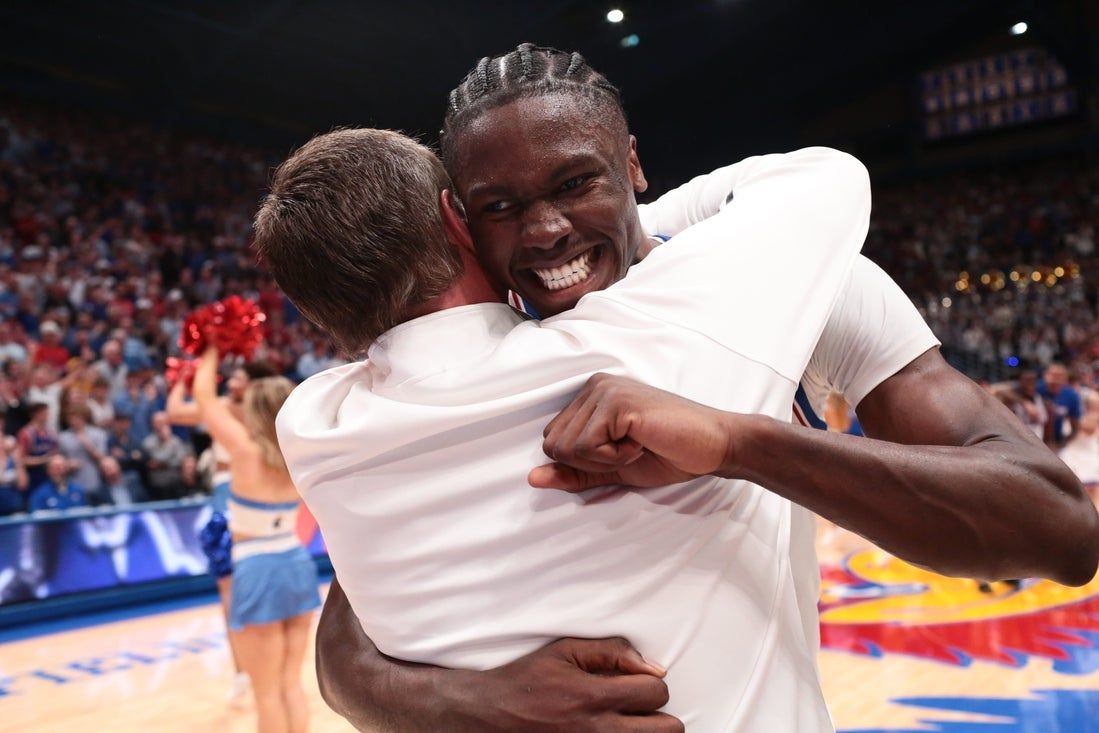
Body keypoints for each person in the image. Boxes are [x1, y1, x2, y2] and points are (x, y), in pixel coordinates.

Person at [266, 48, 1097, 732]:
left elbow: (1058, 531)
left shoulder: (797, 283)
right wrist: (469, 705)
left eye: (575, 183)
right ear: (460, 219)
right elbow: (349, 627)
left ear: (630, 164)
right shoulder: (472, 359)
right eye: (501, 205)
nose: (545, 231)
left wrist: (746, 443)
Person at [192, 345, 320, 733]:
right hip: (297, 564)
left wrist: (211, 346)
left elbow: (203, 398)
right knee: (290, 685)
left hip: (257, 567)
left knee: (266, 694)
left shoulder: (245, 452)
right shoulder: (299, 454)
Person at [167, 359, 277, 704]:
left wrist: (184, 375)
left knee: (232, 594)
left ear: (253, 384)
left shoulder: (228, 411)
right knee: (253, 590)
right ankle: (259, 671)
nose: (230, 383)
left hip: (231, 498)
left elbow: (174, 411)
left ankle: (246, 671)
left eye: (238, 378)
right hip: (260, 500)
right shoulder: (269, 412)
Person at [57, 404, 108, 501]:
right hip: (73, 482)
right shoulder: (62, 437)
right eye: (70, 418)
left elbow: (102, 459)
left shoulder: (98, 434)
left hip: (95, 481)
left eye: (77, 417)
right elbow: (59, 461)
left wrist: (87, 444)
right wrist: (67, 464)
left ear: (84, 417)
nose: (73, 421)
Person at [141, 411, 191, 499]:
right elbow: (157, 458)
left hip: (176, 483)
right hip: (157, 486)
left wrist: (162, 464)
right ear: (153, 424)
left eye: (164, 422)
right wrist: (167, 443)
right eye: (159, 423)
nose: (162, 425)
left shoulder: (176, 441)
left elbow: (179, 460)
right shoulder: (148, 442)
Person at [1038, 362, 1082, 447]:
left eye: (1060, 375)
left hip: (1055, 441)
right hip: (1032, 436)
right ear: (1045, 375)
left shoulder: (1071, 395)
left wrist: (1061, 444)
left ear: (1066, 378)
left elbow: (1075, 427)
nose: (1056, 378)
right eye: (1053, 374)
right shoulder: (1035, 388)